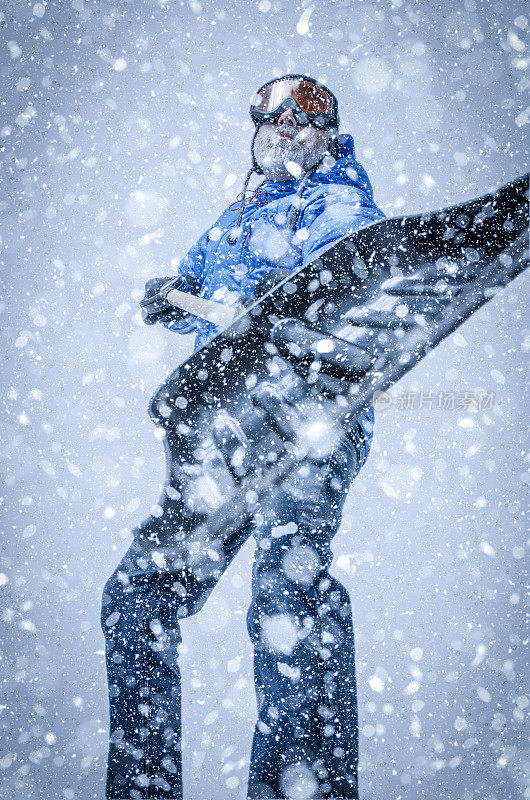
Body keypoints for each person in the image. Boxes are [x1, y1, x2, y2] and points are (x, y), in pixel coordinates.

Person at [101, 75, 384, 800]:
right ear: (256, 132)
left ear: (329, 135)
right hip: (226, 432)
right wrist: (172, 294)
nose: (289, 131)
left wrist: (273, 306)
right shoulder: (242, 209)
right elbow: (205, 289)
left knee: (289, 595)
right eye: (275, 121)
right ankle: (143, 786)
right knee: (137, 594)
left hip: (306, 421)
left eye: (307, 121)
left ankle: (304, 788)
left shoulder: (338, 201)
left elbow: (336, 287)